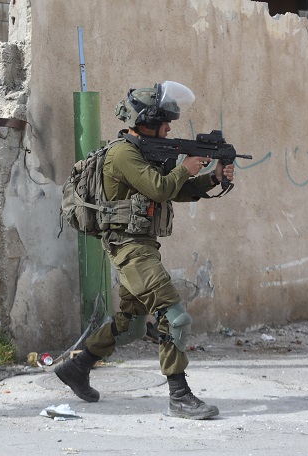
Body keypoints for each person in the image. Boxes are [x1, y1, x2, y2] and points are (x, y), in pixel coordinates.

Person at [55, 81, 235, 420]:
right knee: (174, 316)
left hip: (142, 246)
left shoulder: (143, 152)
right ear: (146, 121)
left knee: (131, 325)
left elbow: (174, 191)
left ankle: (77, 368)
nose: (169, 128)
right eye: (165, 122)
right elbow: (160, 188)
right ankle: (179, 396)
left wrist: (212, 178)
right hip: (129, 248)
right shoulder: (123, 154)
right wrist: (186, 166)